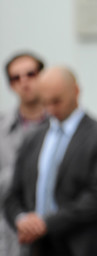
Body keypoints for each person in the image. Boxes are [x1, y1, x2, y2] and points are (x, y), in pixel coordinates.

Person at [4, 66, 97, 255]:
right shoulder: (33, 138)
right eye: (45, 102)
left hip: (83, 246)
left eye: (57, 101)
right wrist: (21, 219)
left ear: (76, 91)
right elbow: (13, 194)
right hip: (37, 247)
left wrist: (47, 223)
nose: (51, 109)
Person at [0, 52, 48, 256]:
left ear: (43, 76)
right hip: (10, 235)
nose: (24, 82)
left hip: (53, 231)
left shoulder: (61, 126)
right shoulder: (2, 129)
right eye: (16, 78)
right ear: (10, 85)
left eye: (30, 74)